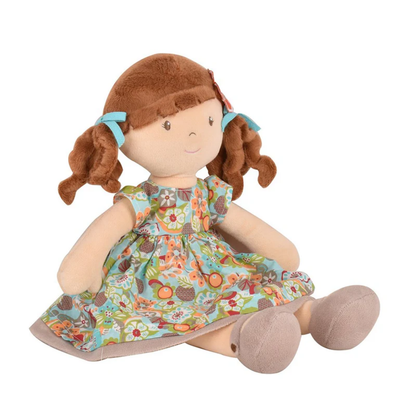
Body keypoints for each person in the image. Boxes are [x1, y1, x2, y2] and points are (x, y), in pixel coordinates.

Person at [30, 53, 380, 373]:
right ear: (124, 135)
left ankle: (316, 314)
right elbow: (103, 233)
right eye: (168, 125)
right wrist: (81, 271)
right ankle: (243, 337)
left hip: (214, 268)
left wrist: (281, 253)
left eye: (210, 119)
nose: (196, 134)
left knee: (249, 287)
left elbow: (248, 229)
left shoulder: (209, 194)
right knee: (183, 317)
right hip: (154, 282)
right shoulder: (142, 199)